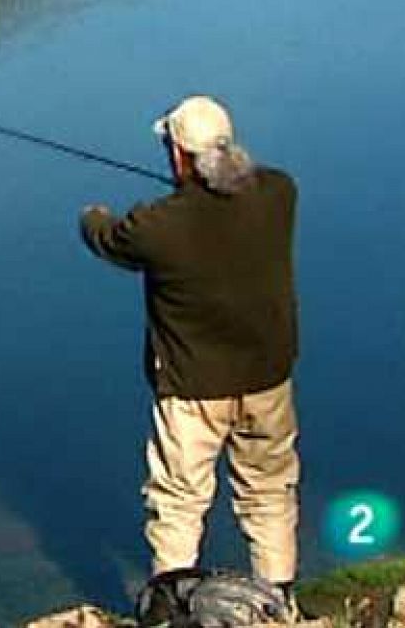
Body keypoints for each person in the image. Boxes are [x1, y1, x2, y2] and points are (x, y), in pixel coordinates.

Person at [78, 95, 301, 606]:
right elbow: (248, 186)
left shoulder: (157, 226)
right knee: (269, 488)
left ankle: (174, 603)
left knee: (179, 496)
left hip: (192, 386)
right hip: (268, 376)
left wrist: (91, 215)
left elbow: (109, 238)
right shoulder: (280, 194)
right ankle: (278, 598)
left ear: (179, 155)